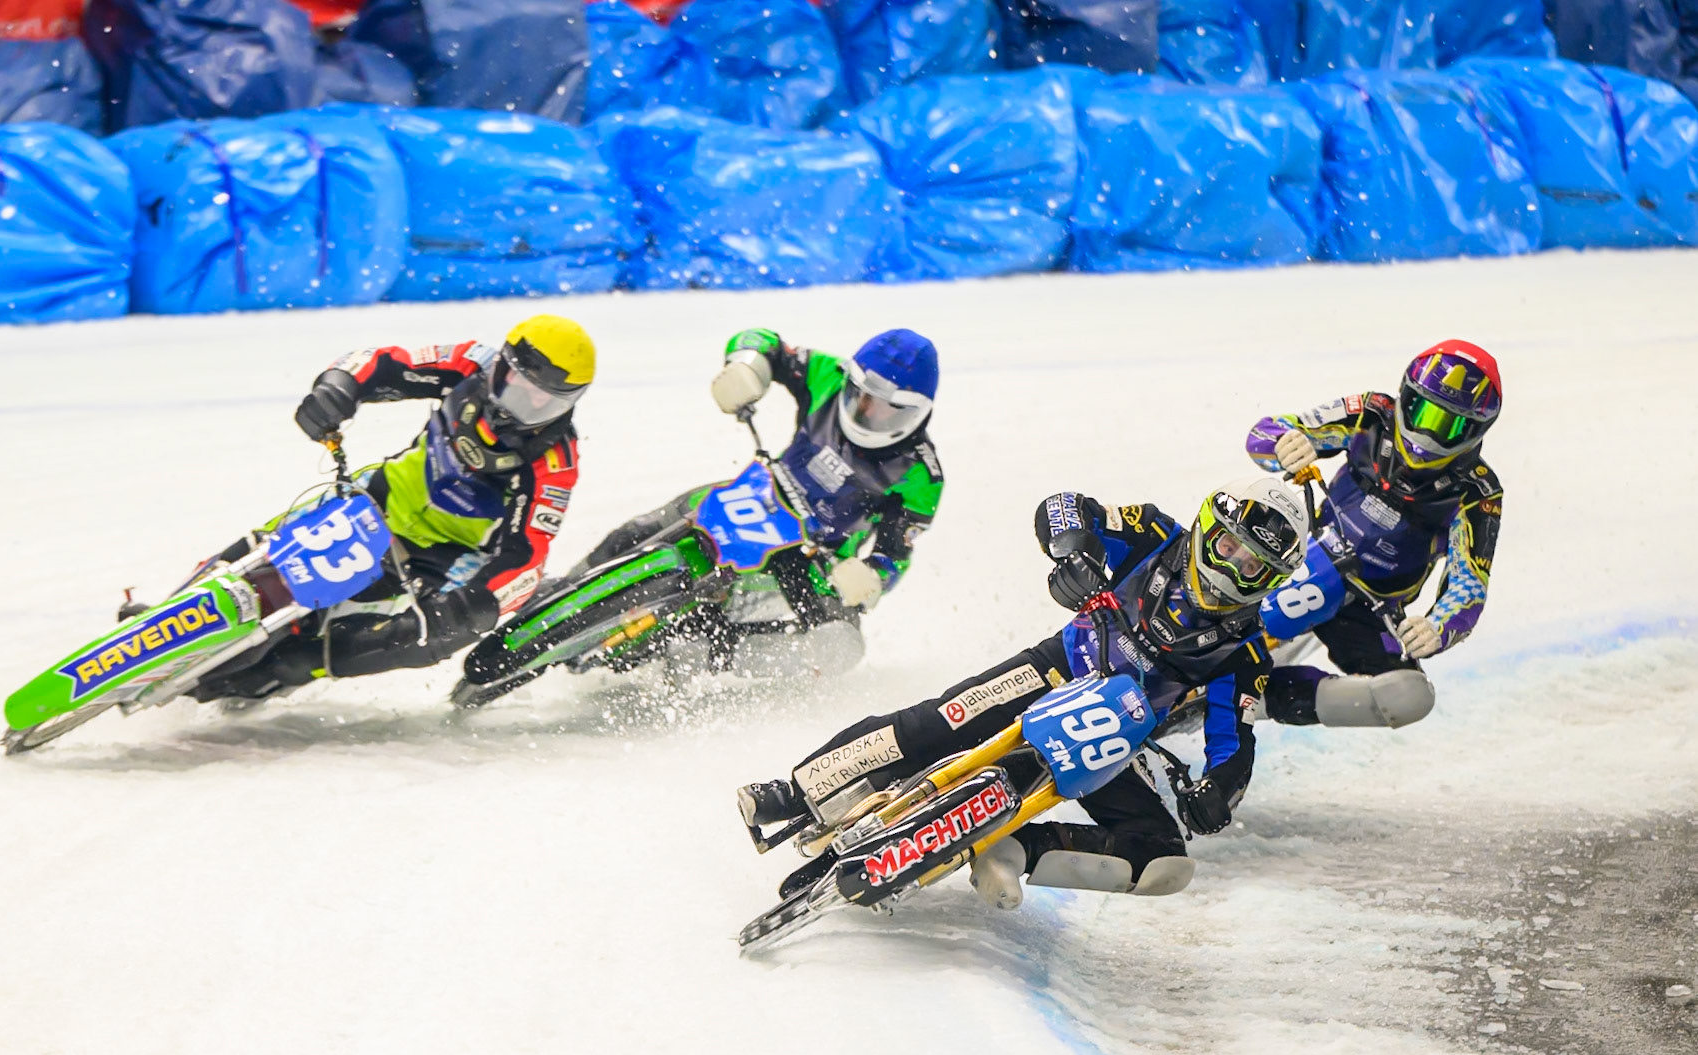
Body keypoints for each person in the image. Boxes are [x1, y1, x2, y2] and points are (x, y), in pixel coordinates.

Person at [738, 476, 1309, 909]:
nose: (1232, 568)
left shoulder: (1246, 649)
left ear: (1273, 581)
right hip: (1055, 670)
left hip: (1113, 741)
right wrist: (1075, 553)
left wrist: (1218, 795)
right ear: (1208, 527)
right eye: (1229, 547)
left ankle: (1013, 849)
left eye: (1253, 567)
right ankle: (793, 792)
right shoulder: (1154, 533)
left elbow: (1234, 736)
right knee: (936, 724)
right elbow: (1062, 506)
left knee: (1163, 859)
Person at [190, 314, 596, 700]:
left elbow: (526, 557)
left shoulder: (555, 463)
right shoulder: (472, 364)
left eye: (545, 402)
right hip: (375, 501)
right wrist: (337, 389)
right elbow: (380, 364)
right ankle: (167, 610)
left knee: (391, 643)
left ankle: (293, 669)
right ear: (503, 366)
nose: (521, 408)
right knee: (258, 556)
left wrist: (473, 606)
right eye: (516, 388)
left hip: (440, 562)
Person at [556, 327, 944, 676]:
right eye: (860, 397)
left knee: (836, 642)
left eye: (888, 410)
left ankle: (701, 654)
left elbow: (896, 552)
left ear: (917, 413)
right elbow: (764, 342)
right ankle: (562, 592)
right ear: (849, 379)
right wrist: (747, 366)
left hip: (813, 555)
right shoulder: (827, 374)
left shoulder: (921, 476)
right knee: (638, 531)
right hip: (757, 492)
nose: (868, 413)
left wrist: (873, 577)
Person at [1245, 340, 1504, 728]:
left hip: (1369, 605)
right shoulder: (1371, 412)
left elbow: (1469, 586)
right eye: (1423, 411)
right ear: (1404, 396)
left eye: (1449, 424)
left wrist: (1437, 627)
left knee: (1407, 696)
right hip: (1302, 551)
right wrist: (1284, 445)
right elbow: (1267, 433)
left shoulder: (1477, 492)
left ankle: (1257, 702)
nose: (1428, 434)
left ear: (1476, 430)